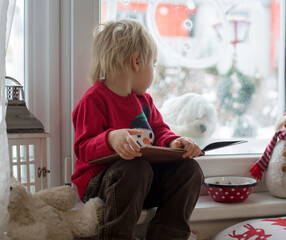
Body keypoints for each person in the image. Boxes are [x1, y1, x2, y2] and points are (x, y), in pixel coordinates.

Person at [71, 19, 204, 240]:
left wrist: (174, 142)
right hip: (101, 185)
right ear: (137, 61)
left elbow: (160, 130)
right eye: (153, 63)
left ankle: (168, 235)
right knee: (134, 168)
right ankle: (115, 236)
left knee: (190, 170)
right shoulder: (94, 100)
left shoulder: (145, 101)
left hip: (142, 181)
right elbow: (83, 148)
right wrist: (111, 139)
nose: (153, 70)